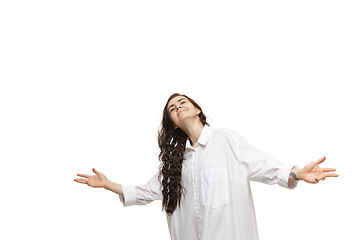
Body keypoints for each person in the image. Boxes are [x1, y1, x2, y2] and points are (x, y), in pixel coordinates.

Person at [74, 93, 338, 240]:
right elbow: (146, 192)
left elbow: (264, 166)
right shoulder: (176, 164)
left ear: (197, 110)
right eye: (172, 109)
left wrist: (296, 173)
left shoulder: (226, 140)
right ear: (173, 123)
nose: (177, 107)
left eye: (182, 103)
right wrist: (107, 184)